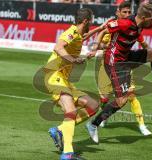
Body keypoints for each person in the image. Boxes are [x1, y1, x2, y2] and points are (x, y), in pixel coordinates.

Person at [86, 3, 152, 143]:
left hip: (126, 56)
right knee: (122, 100)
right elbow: (102, 32)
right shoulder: (123, 24)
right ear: (144, 17)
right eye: (151, 18)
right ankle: (93, 124)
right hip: (114, 63)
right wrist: (94, 49)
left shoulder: (141, 23)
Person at [43, 8, 107, 160]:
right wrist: (73, 60)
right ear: (85, 21)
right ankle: (67, 154)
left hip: (63, 79)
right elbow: (58, 47)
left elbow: (83, 36)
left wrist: (99, 28)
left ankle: (59, 130)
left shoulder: (78, 35)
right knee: (70, 110)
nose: (92, 23)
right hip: (54, 75)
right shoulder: (70, 32)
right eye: (91, 21)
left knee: (93, 105)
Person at [94, 1, 152, 136]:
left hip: (123, 64)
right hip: (106, 63)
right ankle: (103, 118)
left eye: (128, 12)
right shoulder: (112, 25)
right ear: (117, 13)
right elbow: (101, 42)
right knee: (104, 98)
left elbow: (143, 43)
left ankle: (142, 125)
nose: (127, 15)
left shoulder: (133, 26)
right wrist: (101, 47)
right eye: (124, 12)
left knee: (130, 95)